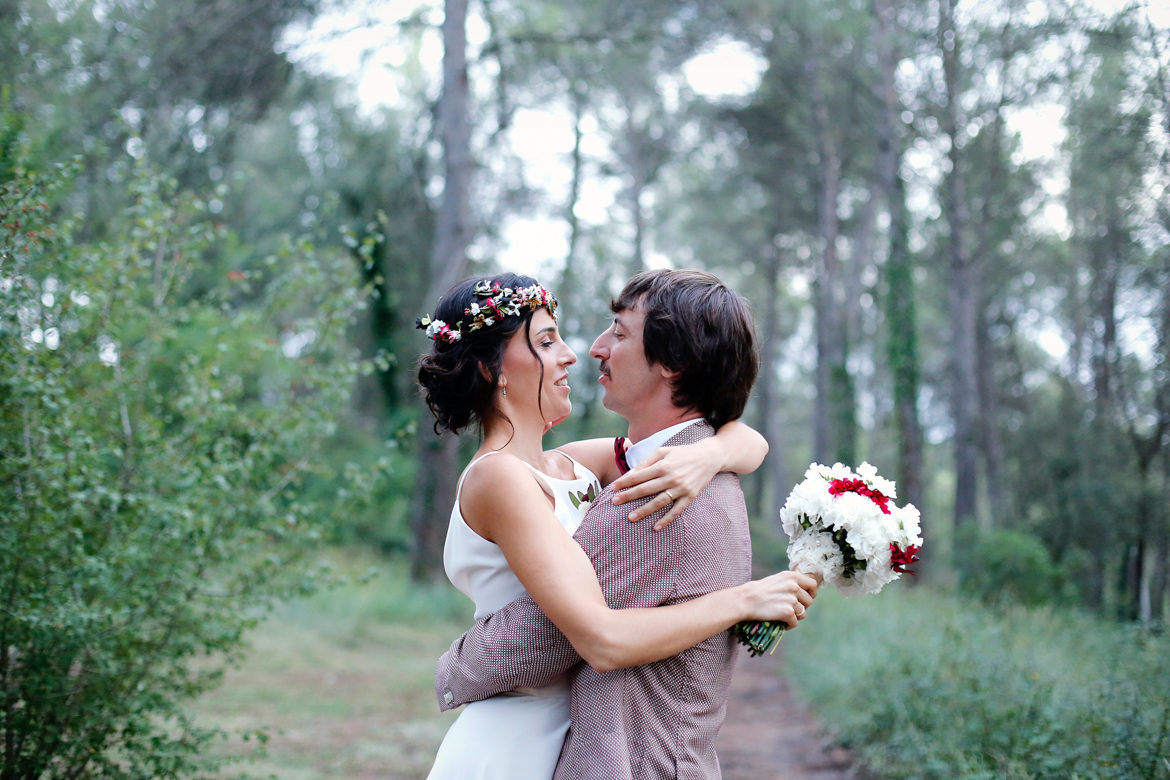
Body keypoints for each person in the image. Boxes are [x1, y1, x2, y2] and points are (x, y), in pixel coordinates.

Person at [422, 270, 818, 779]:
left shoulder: (573, 464)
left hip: (576, 728)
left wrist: (712, 453)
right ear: (491, 368)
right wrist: (743, 600)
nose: (575, 353)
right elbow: (600, 637)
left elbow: (743, 441)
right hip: (516, 735)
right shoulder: (499, 477)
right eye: (547, 342)